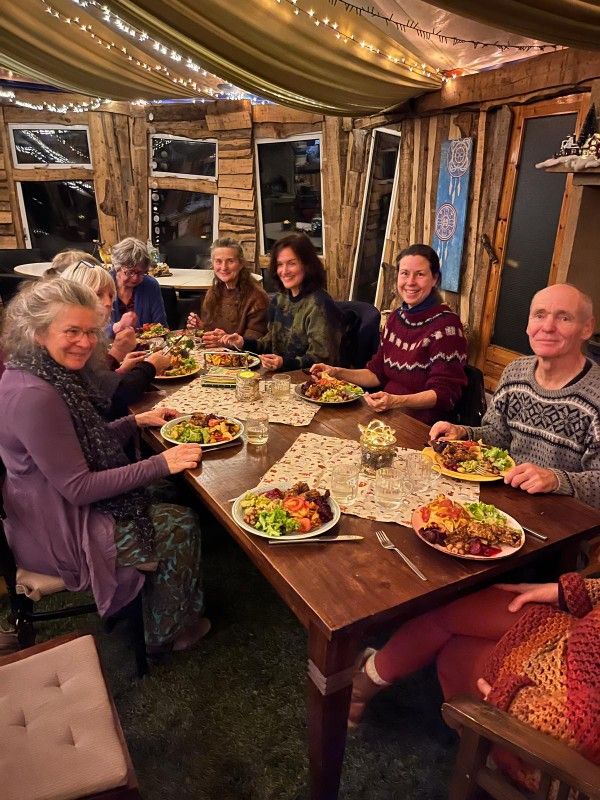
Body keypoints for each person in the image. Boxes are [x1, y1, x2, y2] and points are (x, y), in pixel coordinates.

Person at [0, 278, 207, 653]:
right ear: (38, 331)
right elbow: (79, 487)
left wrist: (135, 421)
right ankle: (169, 633)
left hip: (47, 506)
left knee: (167, 491)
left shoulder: (39, 371)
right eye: (72, 331)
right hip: (56, 528)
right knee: (180, 523)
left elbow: (74, 444)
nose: (86, 342)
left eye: (91, 331)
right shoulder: (35, 394)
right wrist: (161, 461)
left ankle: (154, 598)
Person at [349, 574, 600, 789]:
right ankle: (367, 681)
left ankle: (494, 756)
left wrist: (514, 703)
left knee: (454, 654)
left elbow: (584, 731)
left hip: (560, 719)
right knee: (466, 607)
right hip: (576, 646)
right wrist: (579, 592)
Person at [431, 283, 600, 509]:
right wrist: (463, 433)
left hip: (564, 518)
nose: (547, 327)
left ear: (587, 328)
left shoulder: (596, 393)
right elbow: (498, 435)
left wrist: (557, 480)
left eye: (564, 318)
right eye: (539, 315)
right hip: (508, 499)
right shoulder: (515, 371)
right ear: (528, 324)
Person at [311, 244, 467, 424]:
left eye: (420, 274)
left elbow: (445, 395)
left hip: (421, 426)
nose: (410, 282)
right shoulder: (395, 318)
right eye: (404, 273)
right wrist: (336, 372)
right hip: (386, 415)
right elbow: (376, 374)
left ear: (435, 279)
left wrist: (396, 401)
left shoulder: (447, 327)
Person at [61, 260, 170, 416]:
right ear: (74, 297)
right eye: (98, 294)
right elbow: (115, 397)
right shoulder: (73, 341)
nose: (107, 303)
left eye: (111, 295)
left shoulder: (90, 334)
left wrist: (115, 360)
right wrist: (150, 366)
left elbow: (97, 383)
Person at [222, 233, 344, 371]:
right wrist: (242, 343)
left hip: (310, 379)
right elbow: (270, 343)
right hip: (280, 376)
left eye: (292, 263)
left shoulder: (320, 304)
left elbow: (323, 360)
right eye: (280, 264)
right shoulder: (280, 299)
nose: (284, 271)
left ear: (307, 265)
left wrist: (283, 363)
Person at [187, 237, 268, 347]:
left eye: (230, 261)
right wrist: (201, 327)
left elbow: (256, 342)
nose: (224, 267)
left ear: (241, 264)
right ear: (212, 264)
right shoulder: (212, 292)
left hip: (243, 356)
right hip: (213, 354)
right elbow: (211, 332)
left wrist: (227, 341)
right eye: (218, 261)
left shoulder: (257, 297)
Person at [110, 237, 167, 330]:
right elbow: (96, 329)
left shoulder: (150, 286)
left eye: (141, 273)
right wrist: (117, 327)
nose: (135, 278)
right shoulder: (103, 285)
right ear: (117, 266)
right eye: (130, 272)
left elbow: (161, 326)